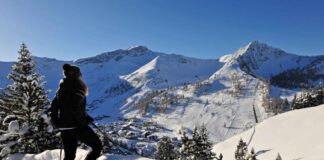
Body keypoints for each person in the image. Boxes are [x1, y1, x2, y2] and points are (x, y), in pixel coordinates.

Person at [49, 64, 102, 160]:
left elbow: (53, 107)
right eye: (80, 74)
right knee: (97, 146)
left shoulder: (61, 90)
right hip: (77, 127)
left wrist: (57, 122)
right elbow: (74, 108)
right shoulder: (78, 88)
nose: (81, 75)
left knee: (69, 157)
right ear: (75, 75)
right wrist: (83, 121)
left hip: (65, 128)